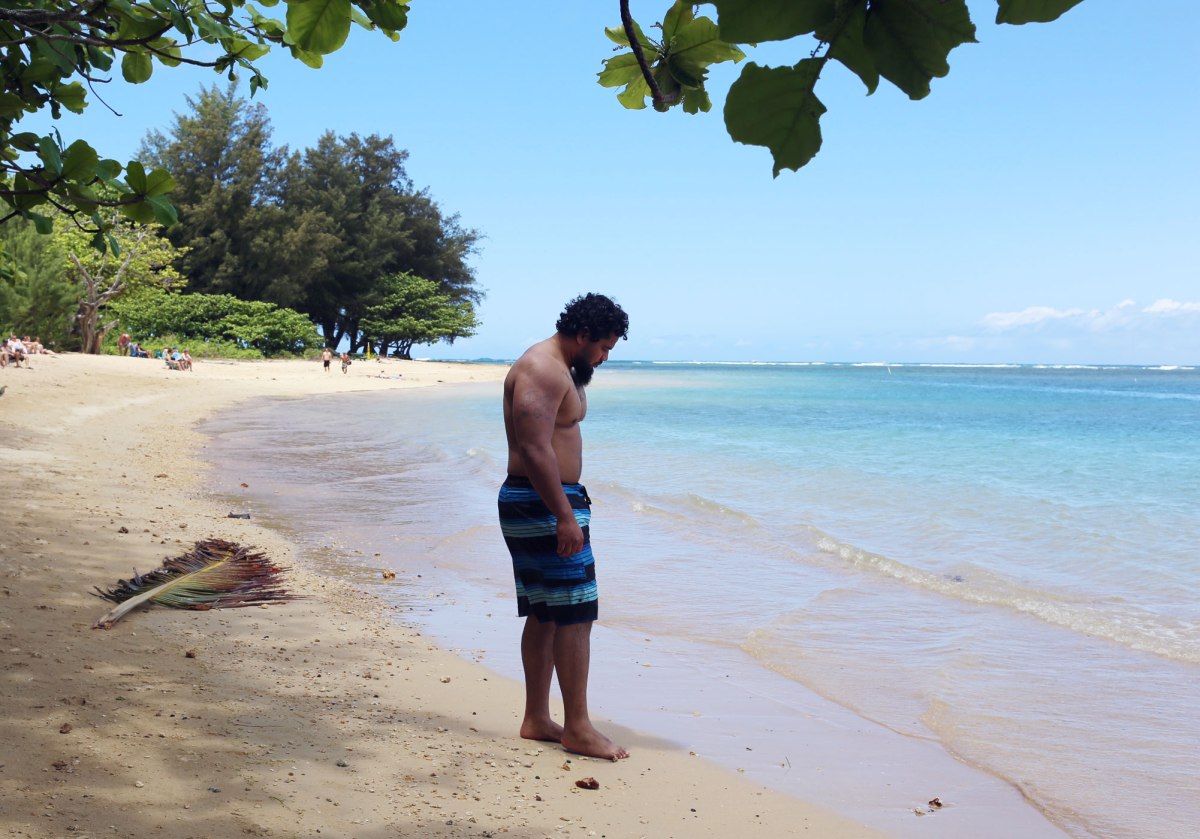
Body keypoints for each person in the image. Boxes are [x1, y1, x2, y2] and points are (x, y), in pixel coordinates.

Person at [498, 292, 630, 761]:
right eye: (603, 346)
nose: (605, 356)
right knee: (577, 613)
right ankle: (578, 727)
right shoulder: (543, 368)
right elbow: (535, 449)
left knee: (548, 613)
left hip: (545, 501)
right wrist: (565, 516)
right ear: (582, 335)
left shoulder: (563, 369)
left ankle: (537, 718)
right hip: (542, 503)